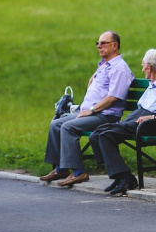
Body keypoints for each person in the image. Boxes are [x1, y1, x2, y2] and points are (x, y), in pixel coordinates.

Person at [40, 31, 135, 188]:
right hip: (91, 112)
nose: (99, 46)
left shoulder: (120, 68)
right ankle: (61, 168)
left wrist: (91, 110)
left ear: (114, 45)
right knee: (56, 123)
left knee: (68, 127)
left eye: (103, 43)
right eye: (97, 43)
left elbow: (114, 97)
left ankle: (78, 172)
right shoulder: (104, 65)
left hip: (105, 116)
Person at [89, 48, 156, 196]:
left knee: (106, 135)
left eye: (143, 65)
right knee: (97, 134)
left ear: (149, 67)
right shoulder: (153, 83)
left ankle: (125, 177)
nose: (142, 68)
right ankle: (119, 175)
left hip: (148, 123)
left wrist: (152, 118)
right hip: (138, 118)